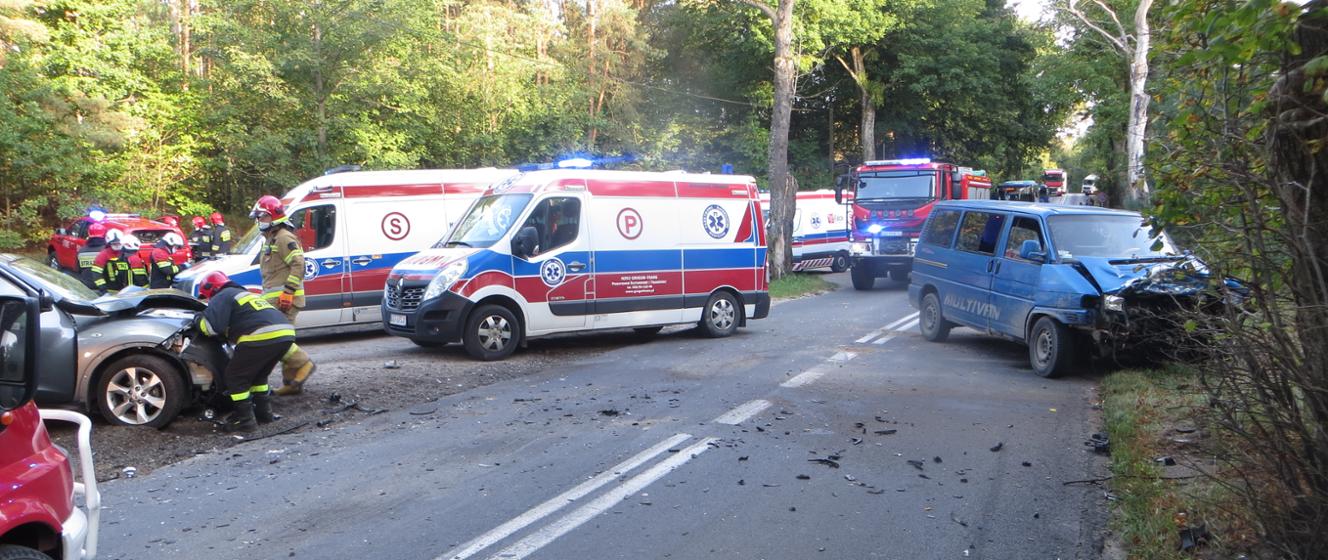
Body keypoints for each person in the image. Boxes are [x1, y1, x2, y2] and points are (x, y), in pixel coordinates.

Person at [194, 270, 295, 432]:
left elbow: (212, 328)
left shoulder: (222, 296)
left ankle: (246, 421)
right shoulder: (244, 294)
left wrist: (198, 318)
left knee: (235, 377)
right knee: (258, 376)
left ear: (211, 289)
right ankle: (264, 415)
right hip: (285, 334)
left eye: (207, 297)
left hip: (261, 335)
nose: (208, 300)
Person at [250, 195, 316, 396]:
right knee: (283, 338)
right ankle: (292, 383)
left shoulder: (284, 237)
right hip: (276, 298)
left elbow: (299, 264)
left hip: (284, 300)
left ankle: (304, 364)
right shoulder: (271, 238)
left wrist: (288, 291)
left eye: (262, 217)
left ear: (274, 217)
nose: (259, 221)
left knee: (277, 340)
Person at [91, 229, 132, 294]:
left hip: (128, 290)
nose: (117, 245)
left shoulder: (127, 252)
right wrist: (103, 288)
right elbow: (96, 273)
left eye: (119, 243)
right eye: (114, 243)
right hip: (111, 290)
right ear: (109, 243)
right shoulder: (103, 255)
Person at [77, 222, 108, 291]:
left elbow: (78, 270)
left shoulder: (81, 251)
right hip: (103, 288)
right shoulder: (107, 251)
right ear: (104, 234)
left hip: (86, 288)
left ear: (89, 234)